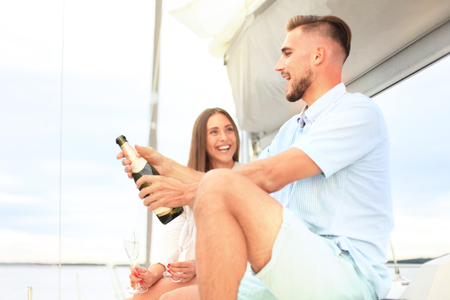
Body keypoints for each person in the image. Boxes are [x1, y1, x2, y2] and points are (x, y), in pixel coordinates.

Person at [119, 15, 394, 300]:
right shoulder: (290, 131)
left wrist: (184, 192)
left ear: (317, 55)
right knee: (169, 299)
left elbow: (264, 177)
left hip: (346, 274)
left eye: (287, 53)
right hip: (284, 270)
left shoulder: (357, 112)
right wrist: (166, 166)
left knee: (221, 187)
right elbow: (236, 186)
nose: (278, 66)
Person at [122, 108, 241, 300]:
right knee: (138, 298)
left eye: (229, 130)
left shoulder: (246, 177)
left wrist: (199, 266)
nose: (224, 137)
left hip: (231, 274)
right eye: (214, 132)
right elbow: (175, 232)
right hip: (196, 273)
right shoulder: (185, 183)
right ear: (201, 139)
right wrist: (154, 272)